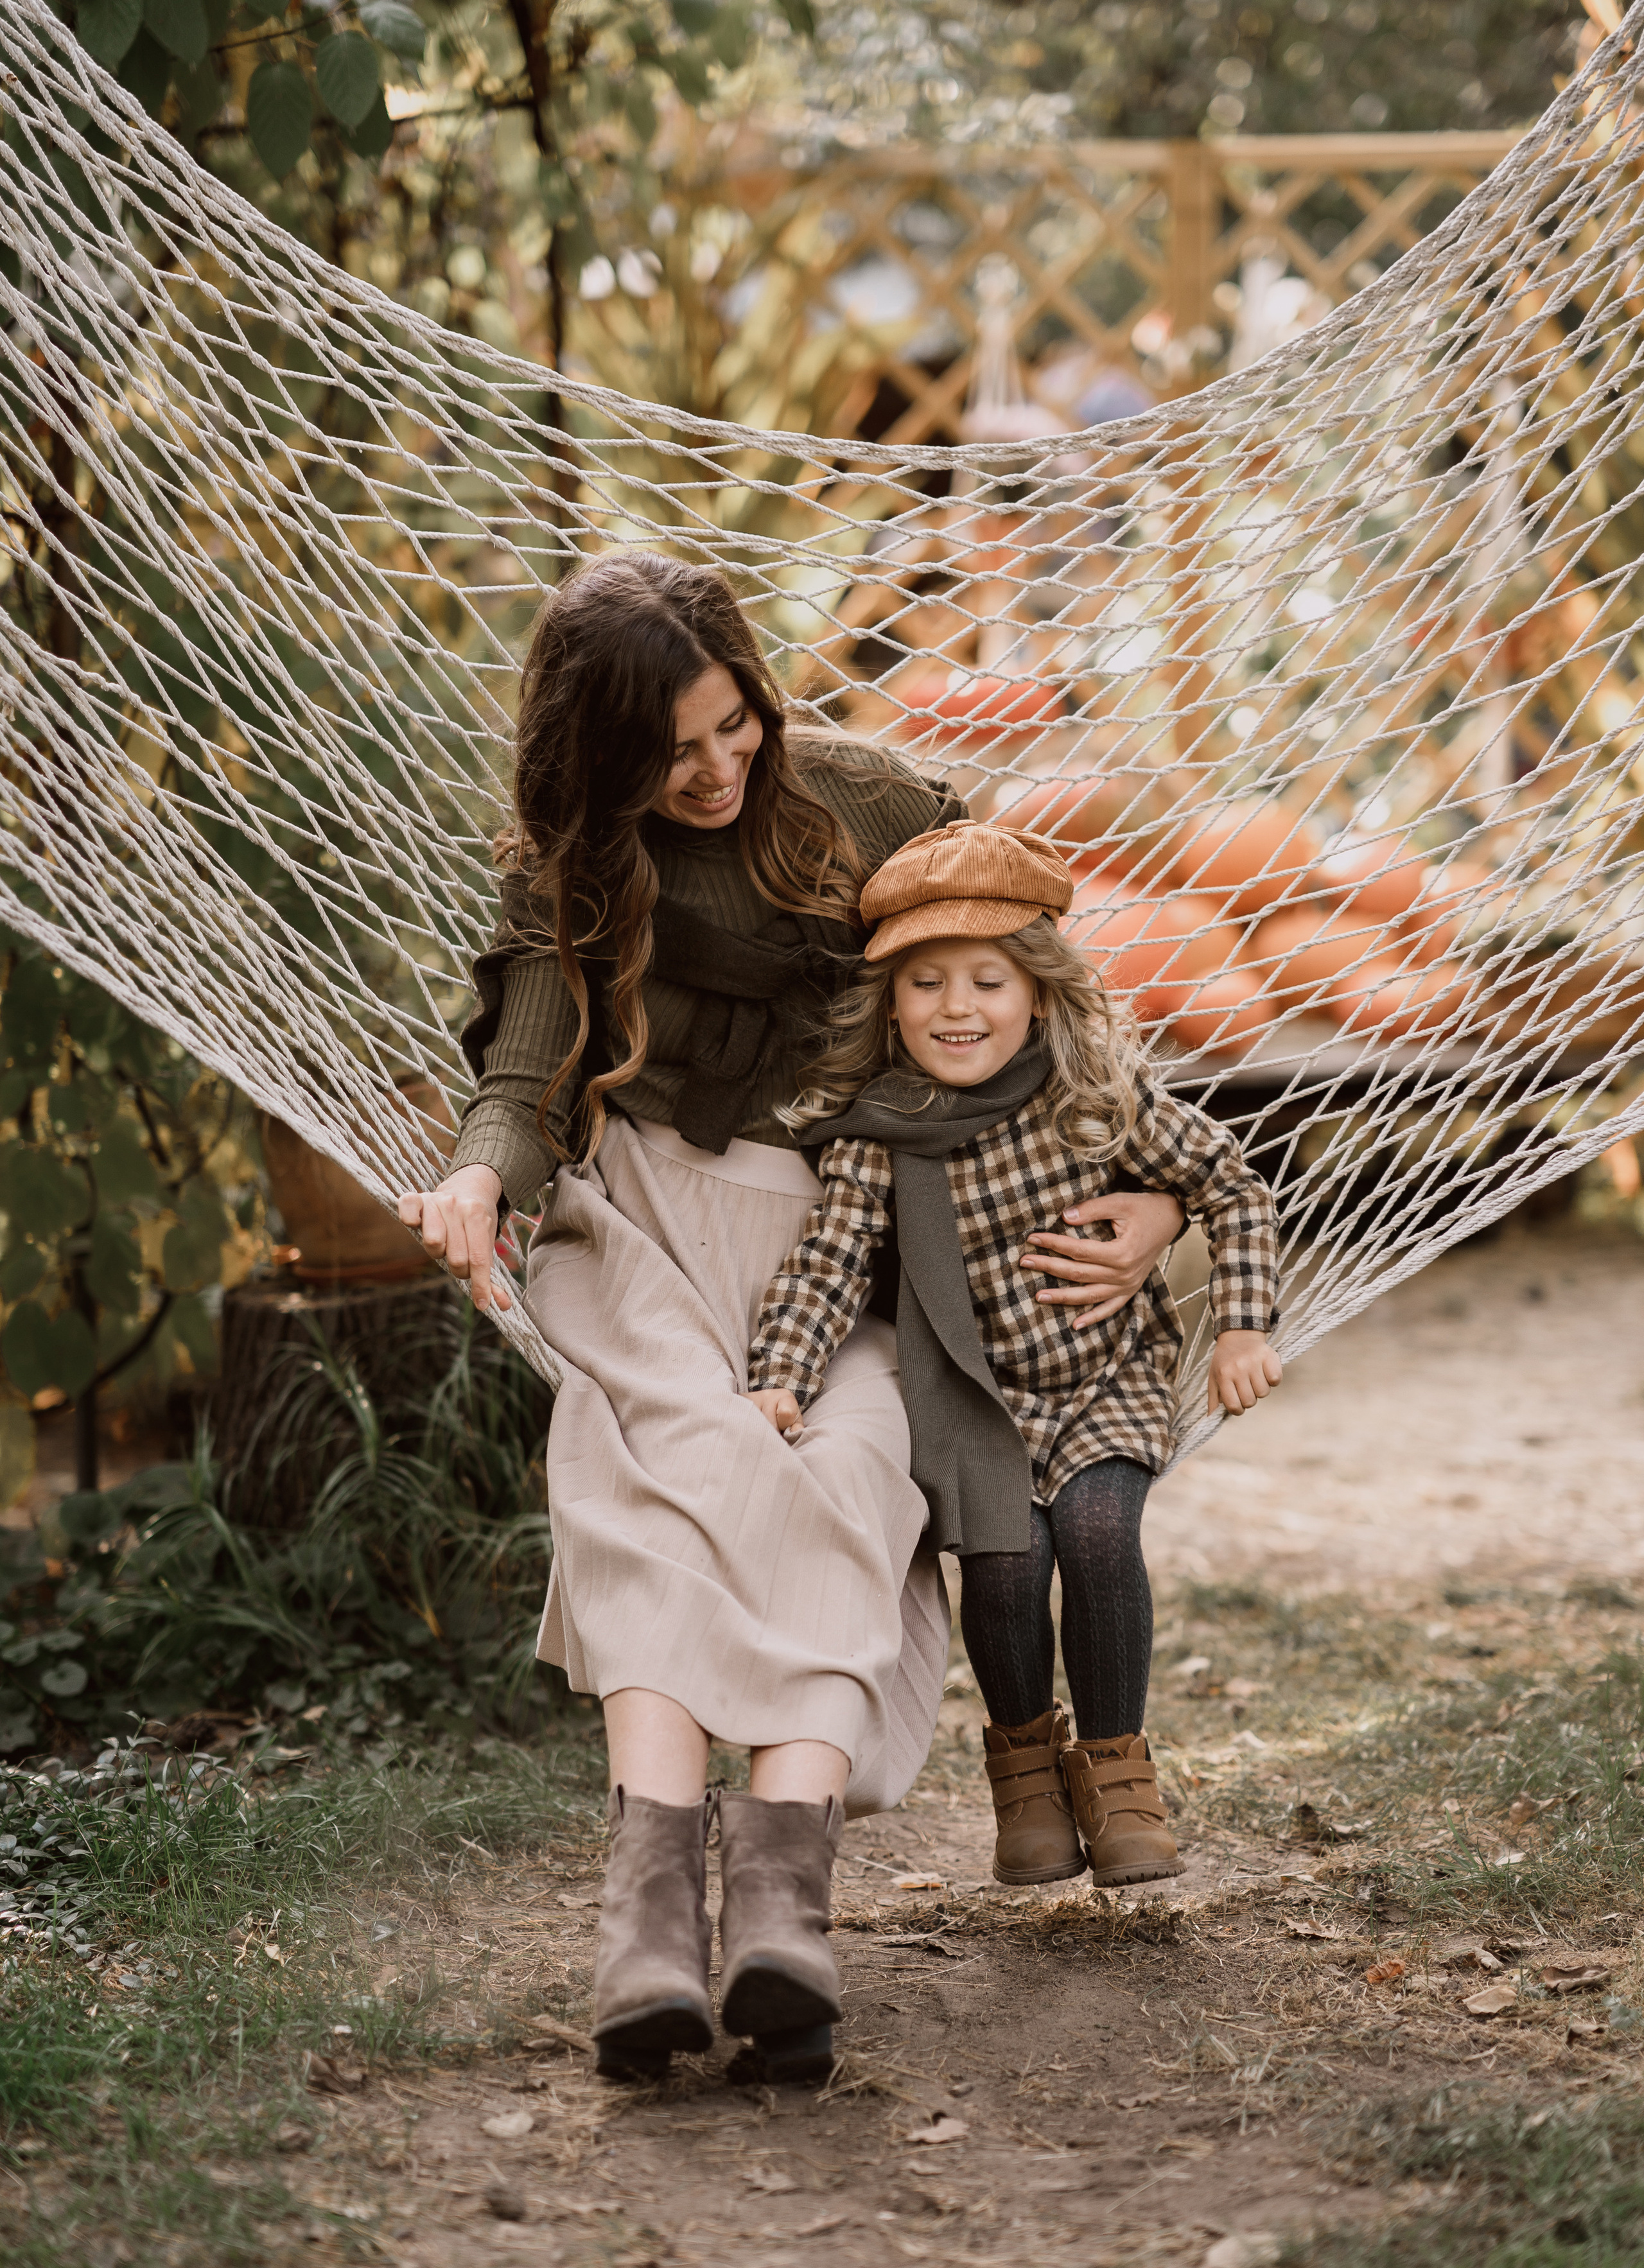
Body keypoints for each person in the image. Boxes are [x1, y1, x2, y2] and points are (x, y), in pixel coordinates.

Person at [396, 554, 1187, 2082]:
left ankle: (776, 1920)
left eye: (731, 725)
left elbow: (1038, 1001)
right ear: (597, 757)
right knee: (644, 1490)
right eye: (667, 751)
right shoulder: (571, 866)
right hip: (640, 1228)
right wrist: (475, 1183)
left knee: (852, 1487)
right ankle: (642, 1934)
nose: (713, 770)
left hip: (864, 1241)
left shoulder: (865, 804)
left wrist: (1150, 1194)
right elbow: (525, 1077)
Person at [747, 821, 1282, 1891]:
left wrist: (1242, 1324)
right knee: (1003, 1564)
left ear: (1035, 991)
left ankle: (1121, 1776)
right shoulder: (877, 1135)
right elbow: (829, 1267)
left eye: (987, 980)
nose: (957, 1007)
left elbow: (1233, 1183)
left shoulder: (1093, 1100)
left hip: (1103, 1377)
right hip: (978, 1400)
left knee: (1092, 1533)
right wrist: (780, 1378)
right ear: (889, 1004)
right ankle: (1028, 1777)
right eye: (927, 984)